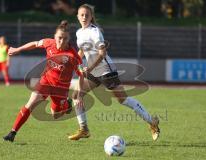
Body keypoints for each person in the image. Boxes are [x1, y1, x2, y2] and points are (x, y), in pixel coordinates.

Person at [68, 4, 160, 141]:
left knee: (123, 99)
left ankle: (152, 122)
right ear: (77, 16)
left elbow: (102, 53)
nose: (84, 17)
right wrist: (74, 61)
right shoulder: (79, 33)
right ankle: (84, 129)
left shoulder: (95, 32)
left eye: (87, 15)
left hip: (105, 70)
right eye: (82, 15)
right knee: (76, 95)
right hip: (93, 70)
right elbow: (82, 51)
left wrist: (89, 68)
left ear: (91, 16)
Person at [3, 20, 84, 142]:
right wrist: (18, 49)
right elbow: (35, 44)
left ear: (69, 40)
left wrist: (79, 94)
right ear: (54, 37)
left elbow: (82, 75)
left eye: (65, 39)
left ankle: (67, 104)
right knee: (30, 104)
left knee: (55, 115)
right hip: (45, 81)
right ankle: (12, 132)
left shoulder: (72, 56)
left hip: (60, 89)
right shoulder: (49, 43)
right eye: (59, 38)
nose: (61, 41)